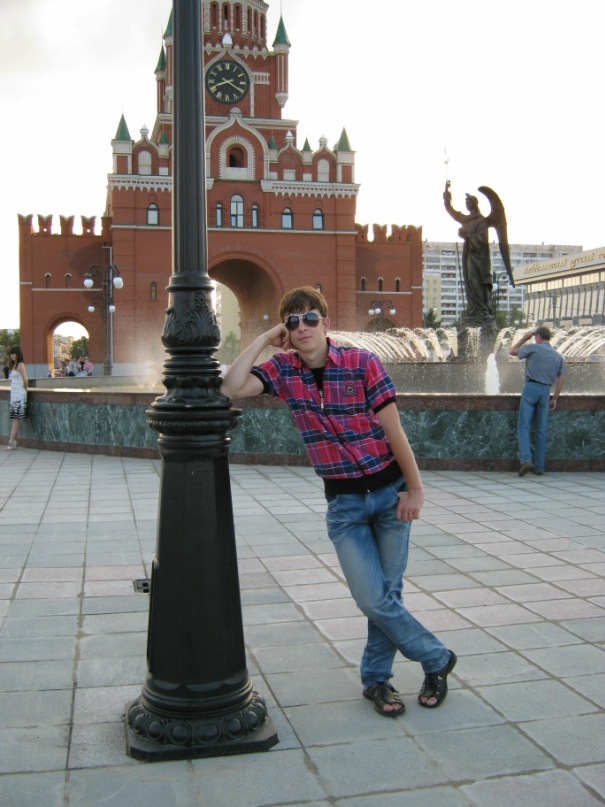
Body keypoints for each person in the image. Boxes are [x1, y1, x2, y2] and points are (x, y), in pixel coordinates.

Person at [220, 286, 456, 716]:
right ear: (286, 331)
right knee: (374, 599)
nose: (303, 327)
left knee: (387, 596)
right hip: (345, 508)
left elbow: (395, 431)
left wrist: (416, 490)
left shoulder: (362, 363)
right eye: (293, 321)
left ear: (326, 324)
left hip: (390, 497)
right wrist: (264, 338)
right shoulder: (283, 371)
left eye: (311, 318)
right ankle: (436, 657)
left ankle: (377, 681)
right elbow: (230, 387)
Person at [509, 326, 566, 476]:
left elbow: (512, 351)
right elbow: (561, 378)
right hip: (546, 392)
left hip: (531, 388)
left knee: (523, 426)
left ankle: (526, 460)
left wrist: (524, 338)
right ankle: (540, 467)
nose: (534, 339)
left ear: (539, 337)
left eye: (535, 337)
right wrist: (555, 398)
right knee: (541, 431)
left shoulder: (534, 348)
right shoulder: (557, 356)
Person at [443, 181, 492, 322]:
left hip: (479, 259)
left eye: (468, 202)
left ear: (474, 204)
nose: (466, 205)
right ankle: (474, 308)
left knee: (476, 281)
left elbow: (482, 239)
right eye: (465, 203)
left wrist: (466, 236)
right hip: (469, 255)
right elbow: (452, 212)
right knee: (470, 281)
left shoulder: (481, 221)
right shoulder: (467, 220)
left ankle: (482, 309)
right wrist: (447, 195)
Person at [7, 345, 28, 450]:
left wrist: (25, 391)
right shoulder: (14, 365)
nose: (12, 356)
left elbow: (25, 380)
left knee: (15, 418)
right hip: (14, 394)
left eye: (14, 353)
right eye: (11, 354)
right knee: (14, 418)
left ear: (18, 354)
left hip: (19, 394)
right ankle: (12, 442)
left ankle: (11, 442)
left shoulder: (20, 365)